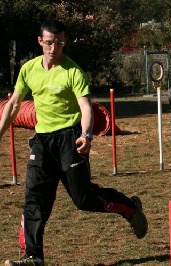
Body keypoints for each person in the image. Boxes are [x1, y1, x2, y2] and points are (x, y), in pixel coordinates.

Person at [0, 20, 148, 266]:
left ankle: (129, 208)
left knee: (83, 199)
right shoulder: (28, 69)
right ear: (40, 42)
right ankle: (32, 257)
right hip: (42, 141)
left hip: (70, 138)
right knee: (34, 199)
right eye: (49, 43)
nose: (53, 48)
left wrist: (87, 135)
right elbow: (14, 104)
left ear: (64, 42)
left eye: (58, 43)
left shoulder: (73, 71)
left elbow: (85, 107)